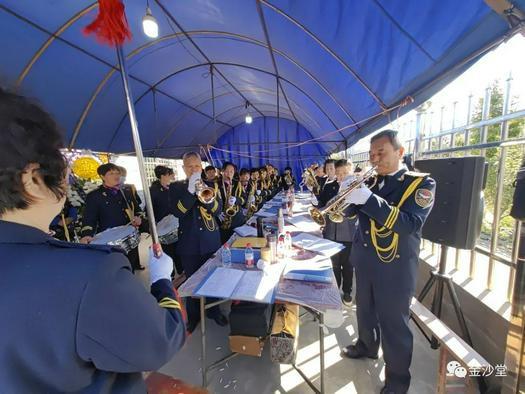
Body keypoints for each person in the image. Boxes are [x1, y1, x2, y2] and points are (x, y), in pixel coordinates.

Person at [0, 88, 186, 392]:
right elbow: (160, 341)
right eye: (61, 165)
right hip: (107, 252)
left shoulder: (126, 194)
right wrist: (162, 280)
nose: (67, 176)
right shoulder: (90, 272)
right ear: (33, 179)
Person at [340, 130, 436, 394]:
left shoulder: (421, 184)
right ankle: (367, 346)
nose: (374, 159)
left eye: (380, 153)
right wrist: (346, 194)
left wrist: (368, 199)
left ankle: (396, 382)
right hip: (365, 260)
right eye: (371, 154)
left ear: (399, 152)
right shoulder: (371, 182)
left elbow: (409, 225)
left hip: (394, 267)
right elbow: (351, 212)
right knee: (365, 310)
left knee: (394, 325)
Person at [170, 151, 228, 333]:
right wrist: (190, 192)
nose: (193, 169)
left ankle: (214, 311)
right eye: (189, 166)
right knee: (192, 281)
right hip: (189, 243)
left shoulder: (212, 185)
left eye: (196, 166)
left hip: (210, 240)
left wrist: (202, 193)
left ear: (201, 167)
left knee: (213, 277)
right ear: (183, 168)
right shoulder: (176, 188)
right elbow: (178, 212)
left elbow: (218, 209)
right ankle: (194, 316)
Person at [80, 163, 145, 272]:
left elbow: (137, 210)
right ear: (102, 176)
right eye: (111, 173)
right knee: (116, 270)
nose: (116, 176)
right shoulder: (94, 196)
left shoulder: (126, 191)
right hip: (110, 241)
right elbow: (89, 218)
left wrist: (138, 218)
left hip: (129, 238)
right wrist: (86, 235)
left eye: (117, 173)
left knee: (130, 268)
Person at [322, 159, 356, 305]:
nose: (341, 176)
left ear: (351, 172)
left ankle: (347, 291)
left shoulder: (357, 188)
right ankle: (335, 290)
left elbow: (356, 211)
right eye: (339, 173)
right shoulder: (332, 186)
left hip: (348, 233)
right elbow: (325, 204)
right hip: (331, 232)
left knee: (348, 265)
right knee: (334, 264)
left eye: (345, 173)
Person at [150, 165, 183, 276]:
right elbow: (149, 210)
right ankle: (171, 275)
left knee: (179, 250)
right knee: (168, 253)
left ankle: (182, 272)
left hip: (176, 225)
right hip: (163, 228)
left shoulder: (173, 187)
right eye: (170, 174)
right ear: (163, 176)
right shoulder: (153, 191)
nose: (172, 176)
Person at [218, 161, 245, 243]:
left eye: (231, 172)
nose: (228, 174)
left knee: (239, 241)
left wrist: (236, 200)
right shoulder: (216, 184)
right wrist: (217, 213)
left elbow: (244, 199)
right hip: (223, 219)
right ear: (222, 171)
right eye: (226, 171)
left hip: (237, 218)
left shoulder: (238, 184)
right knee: (225, 242)